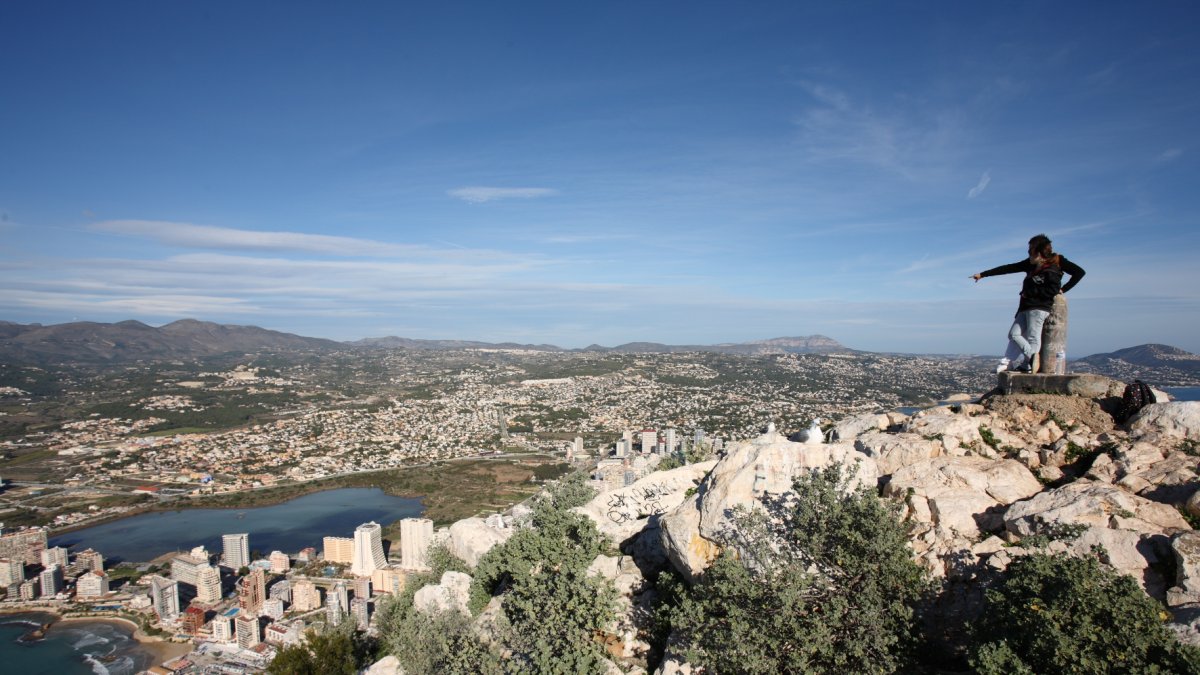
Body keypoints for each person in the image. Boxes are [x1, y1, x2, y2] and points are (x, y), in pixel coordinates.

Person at [972, 234, 1085, 373]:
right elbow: (1009, 268)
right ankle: (1032, 358)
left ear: (1039, 251)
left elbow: (1079, 272)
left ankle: (1029, 363)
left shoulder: (1057, 261)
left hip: (1039, 306)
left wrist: (1063, 289)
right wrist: (983, 274)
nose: (1028, 252)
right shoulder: (1031, 263)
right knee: (1013, 334)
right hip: (1025, 306)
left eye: (1030, 249)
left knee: (1033, 336)